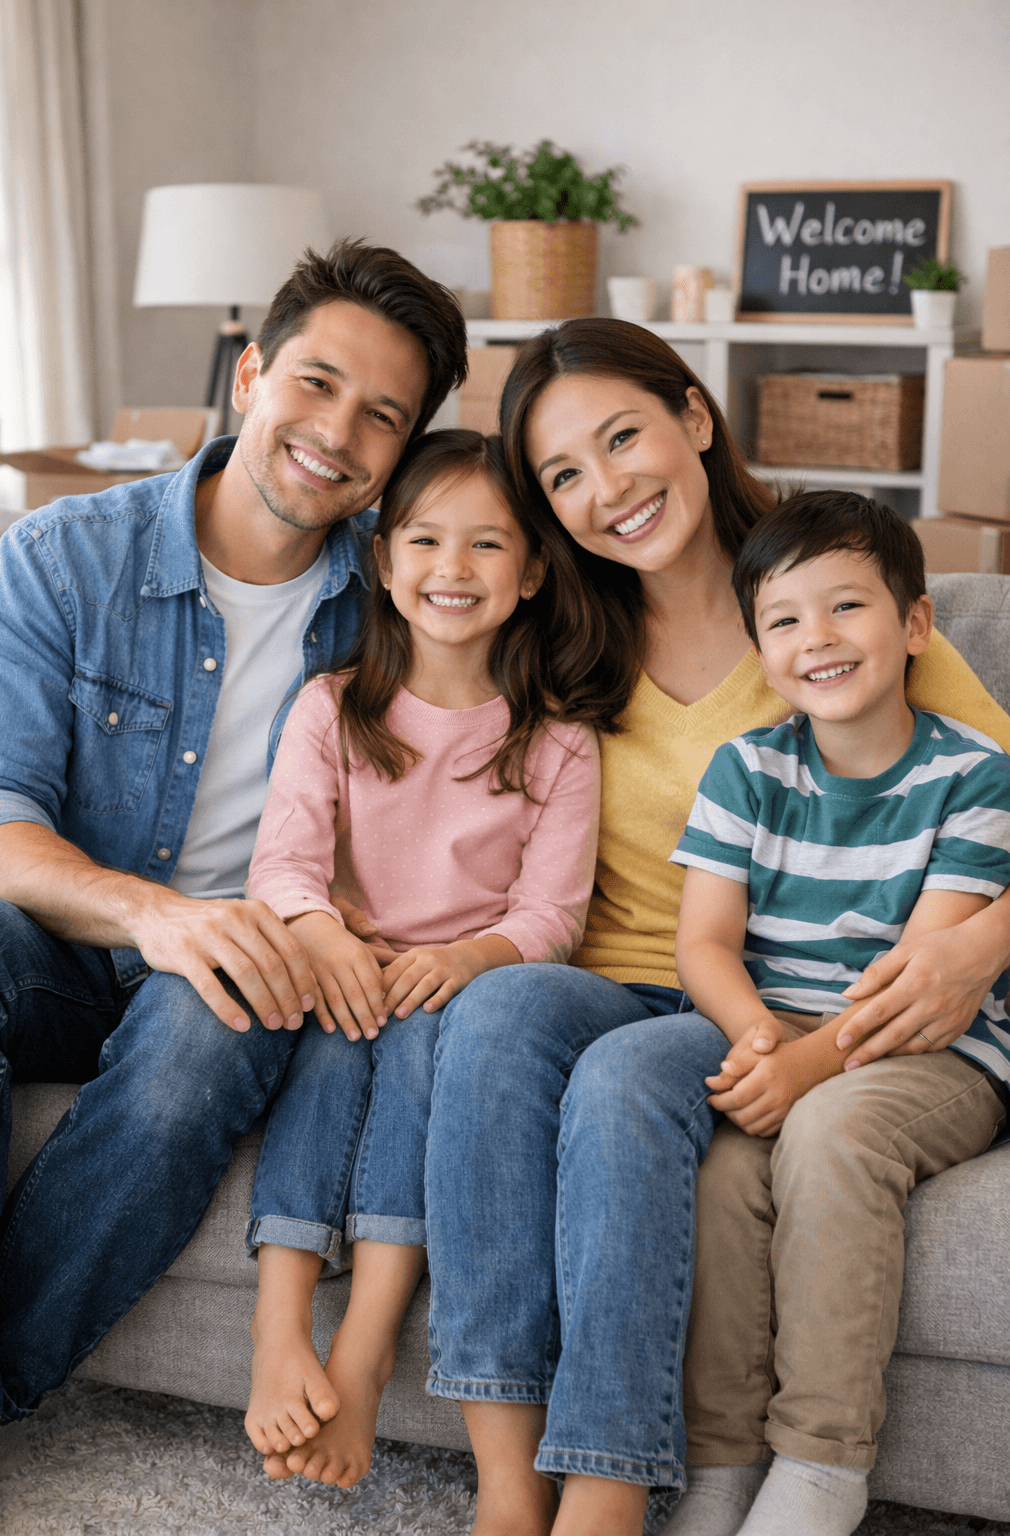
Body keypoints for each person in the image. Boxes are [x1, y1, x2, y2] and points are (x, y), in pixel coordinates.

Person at [421, 320, 1010, 1536]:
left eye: (622, 437)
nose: (607, 489)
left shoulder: (826, 607)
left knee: (632, 1074)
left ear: (693, 417)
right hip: (624, 976)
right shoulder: (549, 637)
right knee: (495, 1014)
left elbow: (986, 801)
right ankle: (503, 1487)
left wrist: (975, 945)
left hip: (783, 998)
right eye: (563, 477)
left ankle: (608, 1490)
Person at [0, 240, 466, 1438]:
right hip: (64, 935)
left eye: (382, 417)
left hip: (252, 960)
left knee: (210, 1024)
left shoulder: (410, 598)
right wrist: (156, 911)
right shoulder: (63, 558)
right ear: (250, 375)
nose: (336, 432)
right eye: (315, 382)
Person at [240, 428, 601, 1490]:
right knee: (332, 1041)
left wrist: (472, 956)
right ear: (383, 561)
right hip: (343, 970)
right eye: (427, 541)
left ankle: (364, 1346)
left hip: (455, 988)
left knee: (416, 1053)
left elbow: (551, 913)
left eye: (487, 545)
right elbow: (284, 865)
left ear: (531, 572)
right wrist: (326, 937)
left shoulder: (557, 740)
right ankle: (279, 1324)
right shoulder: (330, 708)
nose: (453, 569)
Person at [662, 492, 1009, 1536]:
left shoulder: (973, 775)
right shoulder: (746, 771)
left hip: (929, 1051)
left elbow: (921, 976)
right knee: (722, 1171)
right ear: (759, 648)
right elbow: (703, 944)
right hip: (788, 1038)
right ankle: (722, 1461)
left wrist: (803, 1071)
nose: (816, 638)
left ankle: (820, 1465)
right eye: (784, 619)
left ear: (913, 626)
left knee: (831, 1130)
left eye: (847, 607)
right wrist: (756, 1036)